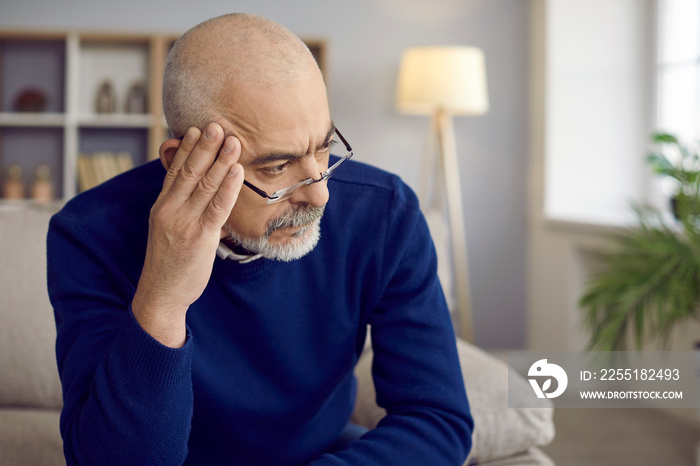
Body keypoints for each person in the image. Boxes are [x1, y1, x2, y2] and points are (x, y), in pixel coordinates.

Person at [47, 13, 472, 465]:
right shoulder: (88, 235)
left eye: (323, 146)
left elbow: (437, 418)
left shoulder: (385, 214)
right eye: (276, 167)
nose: (319, 193)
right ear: (183, 162)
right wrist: (163, 298)